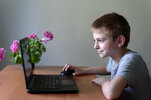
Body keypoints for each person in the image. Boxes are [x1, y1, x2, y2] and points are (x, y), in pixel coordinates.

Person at [62, 12, 151, 100]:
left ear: (119, 41)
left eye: (100, 40)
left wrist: (104, 82)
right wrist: (83, 71)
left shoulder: (131, 60)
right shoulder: (116, 56)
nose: (95, 46)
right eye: (94, 41)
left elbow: (111, 93)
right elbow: (107, 69)